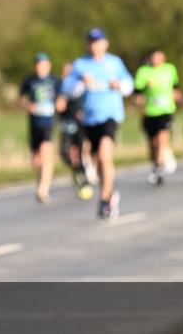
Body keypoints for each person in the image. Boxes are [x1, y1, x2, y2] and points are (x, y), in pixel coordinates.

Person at [60, 28, 133, 220]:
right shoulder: (80, 65)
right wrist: (81, 83)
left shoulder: (114, 63)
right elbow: (67, 89)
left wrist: (120, 85)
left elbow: (129, 84)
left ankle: (105, 198)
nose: (95, 45)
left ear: (105, 44)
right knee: (97, 159)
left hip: (110, 115)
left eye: (98, 41)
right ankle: (107, 192)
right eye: (91, 42)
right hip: (89, 118)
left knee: (104, 153)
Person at [133, 49, 181, 185]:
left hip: (166, 110)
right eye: (154, 57)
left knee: (162, 137)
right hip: (149, 111)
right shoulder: (143, 72)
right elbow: (137, 92)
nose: (156, 60)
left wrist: (177, 95)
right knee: (152, 143)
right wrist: (139, 100)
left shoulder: (170, 69)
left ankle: (160, 166)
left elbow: (176, 87)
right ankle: (157, 163)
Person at [19, 53, 62, 203]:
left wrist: (60, 104)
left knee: (46, 152)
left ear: (48, 65)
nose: (40, 67)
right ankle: (43, 178)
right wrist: (28, 105)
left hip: (48, 122)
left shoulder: (55, 81)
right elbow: (21, 99)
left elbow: (62, 99)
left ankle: (43, 189)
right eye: (38, 64)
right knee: (36, 160)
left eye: (43, 64)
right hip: (34, 123)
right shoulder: (29, 80)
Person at [56, 62, 94, 201]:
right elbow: (58, 106)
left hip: (80, 124)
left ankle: (84, 171)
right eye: (65, 72)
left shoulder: (81, 86)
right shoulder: (60, 86)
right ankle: (77, 170)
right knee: (65, 152)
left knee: (79, 149)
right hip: (66, 123)